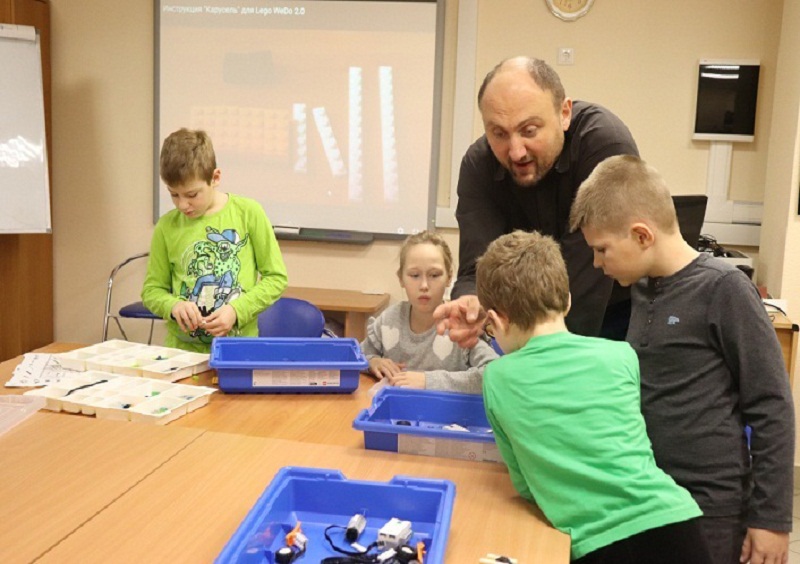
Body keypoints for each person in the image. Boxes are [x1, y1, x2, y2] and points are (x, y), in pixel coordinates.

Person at [569, 155, 795, 564]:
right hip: (653, 499)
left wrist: (771, 519)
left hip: (711, 510)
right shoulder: (641, 290)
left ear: (642, 235)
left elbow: (772, 405)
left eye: (601, 250)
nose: (597, 263)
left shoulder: (724, 289)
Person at [476, 230, 712, 563]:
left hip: (599, 542)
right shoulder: (621, 355)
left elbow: (527, 486)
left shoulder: (497, 378)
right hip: (675, 522)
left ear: (495, 320)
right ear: (568, 300)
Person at [435, 56, 639, 347]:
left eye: (529, 131)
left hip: (616, 308)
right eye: (499, 133)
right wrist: (472, 301)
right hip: (530, 320)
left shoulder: (604, 143)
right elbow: (476, 265)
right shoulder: (478, 164)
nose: (516, 152)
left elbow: (590, 272)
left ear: (564, 113)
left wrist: (541, 354)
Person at [142, 128, 288, 352]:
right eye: (174, 194)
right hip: (181, 353)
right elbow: (152, 290)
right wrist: (173, 306)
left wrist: (237, 310)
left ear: (215, 178)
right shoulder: (166, 226)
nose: (182, 205)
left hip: (237, 351)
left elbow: (276, 278)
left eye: (192, 195)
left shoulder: (248, 213)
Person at [360, 231, 497, 393]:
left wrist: (428, 381)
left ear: (449, 277)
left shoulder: (461, 326)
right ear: (401, 278)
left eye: (434, 275)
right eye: (414, 275)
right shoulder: (388, 321)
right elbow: (357, 356)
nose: (424, 285)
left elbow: (494, 375)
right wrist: (372, 362)